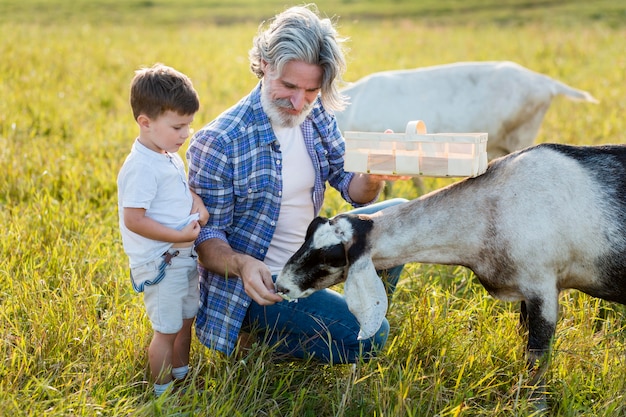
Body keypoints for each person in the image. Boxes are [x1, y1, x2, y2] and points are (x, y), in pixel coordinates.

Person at [187, 4, 406, 364]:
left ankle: (361, 312)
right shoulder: (220, 141)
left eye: (311, 90)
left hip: (310, 261)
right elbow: (207, 242)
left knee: (397, 216)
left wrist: (373, 176)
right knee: (372, 340)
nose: (298, 101)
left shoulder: (314, 112)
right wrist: (243, 265)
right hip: (260, 288)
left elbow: (351, 187)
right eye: (288, 86)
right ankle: (261, 347)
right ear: (265, 64)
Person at [117, 63, 209, 397]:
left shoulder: (167, 154)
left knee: (187, 319)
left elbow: (178, 192)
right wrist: (181, 236)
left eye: (189, 125)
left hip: (182, 254)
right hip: (163, 261)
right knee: (167, 329)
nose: (186, 134)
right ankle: (163, 394)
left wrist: (196, 203)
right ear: (146, 123)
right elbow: (134, 220)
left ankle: (182, 374)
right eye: (178, 126)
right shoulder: (141, 167)